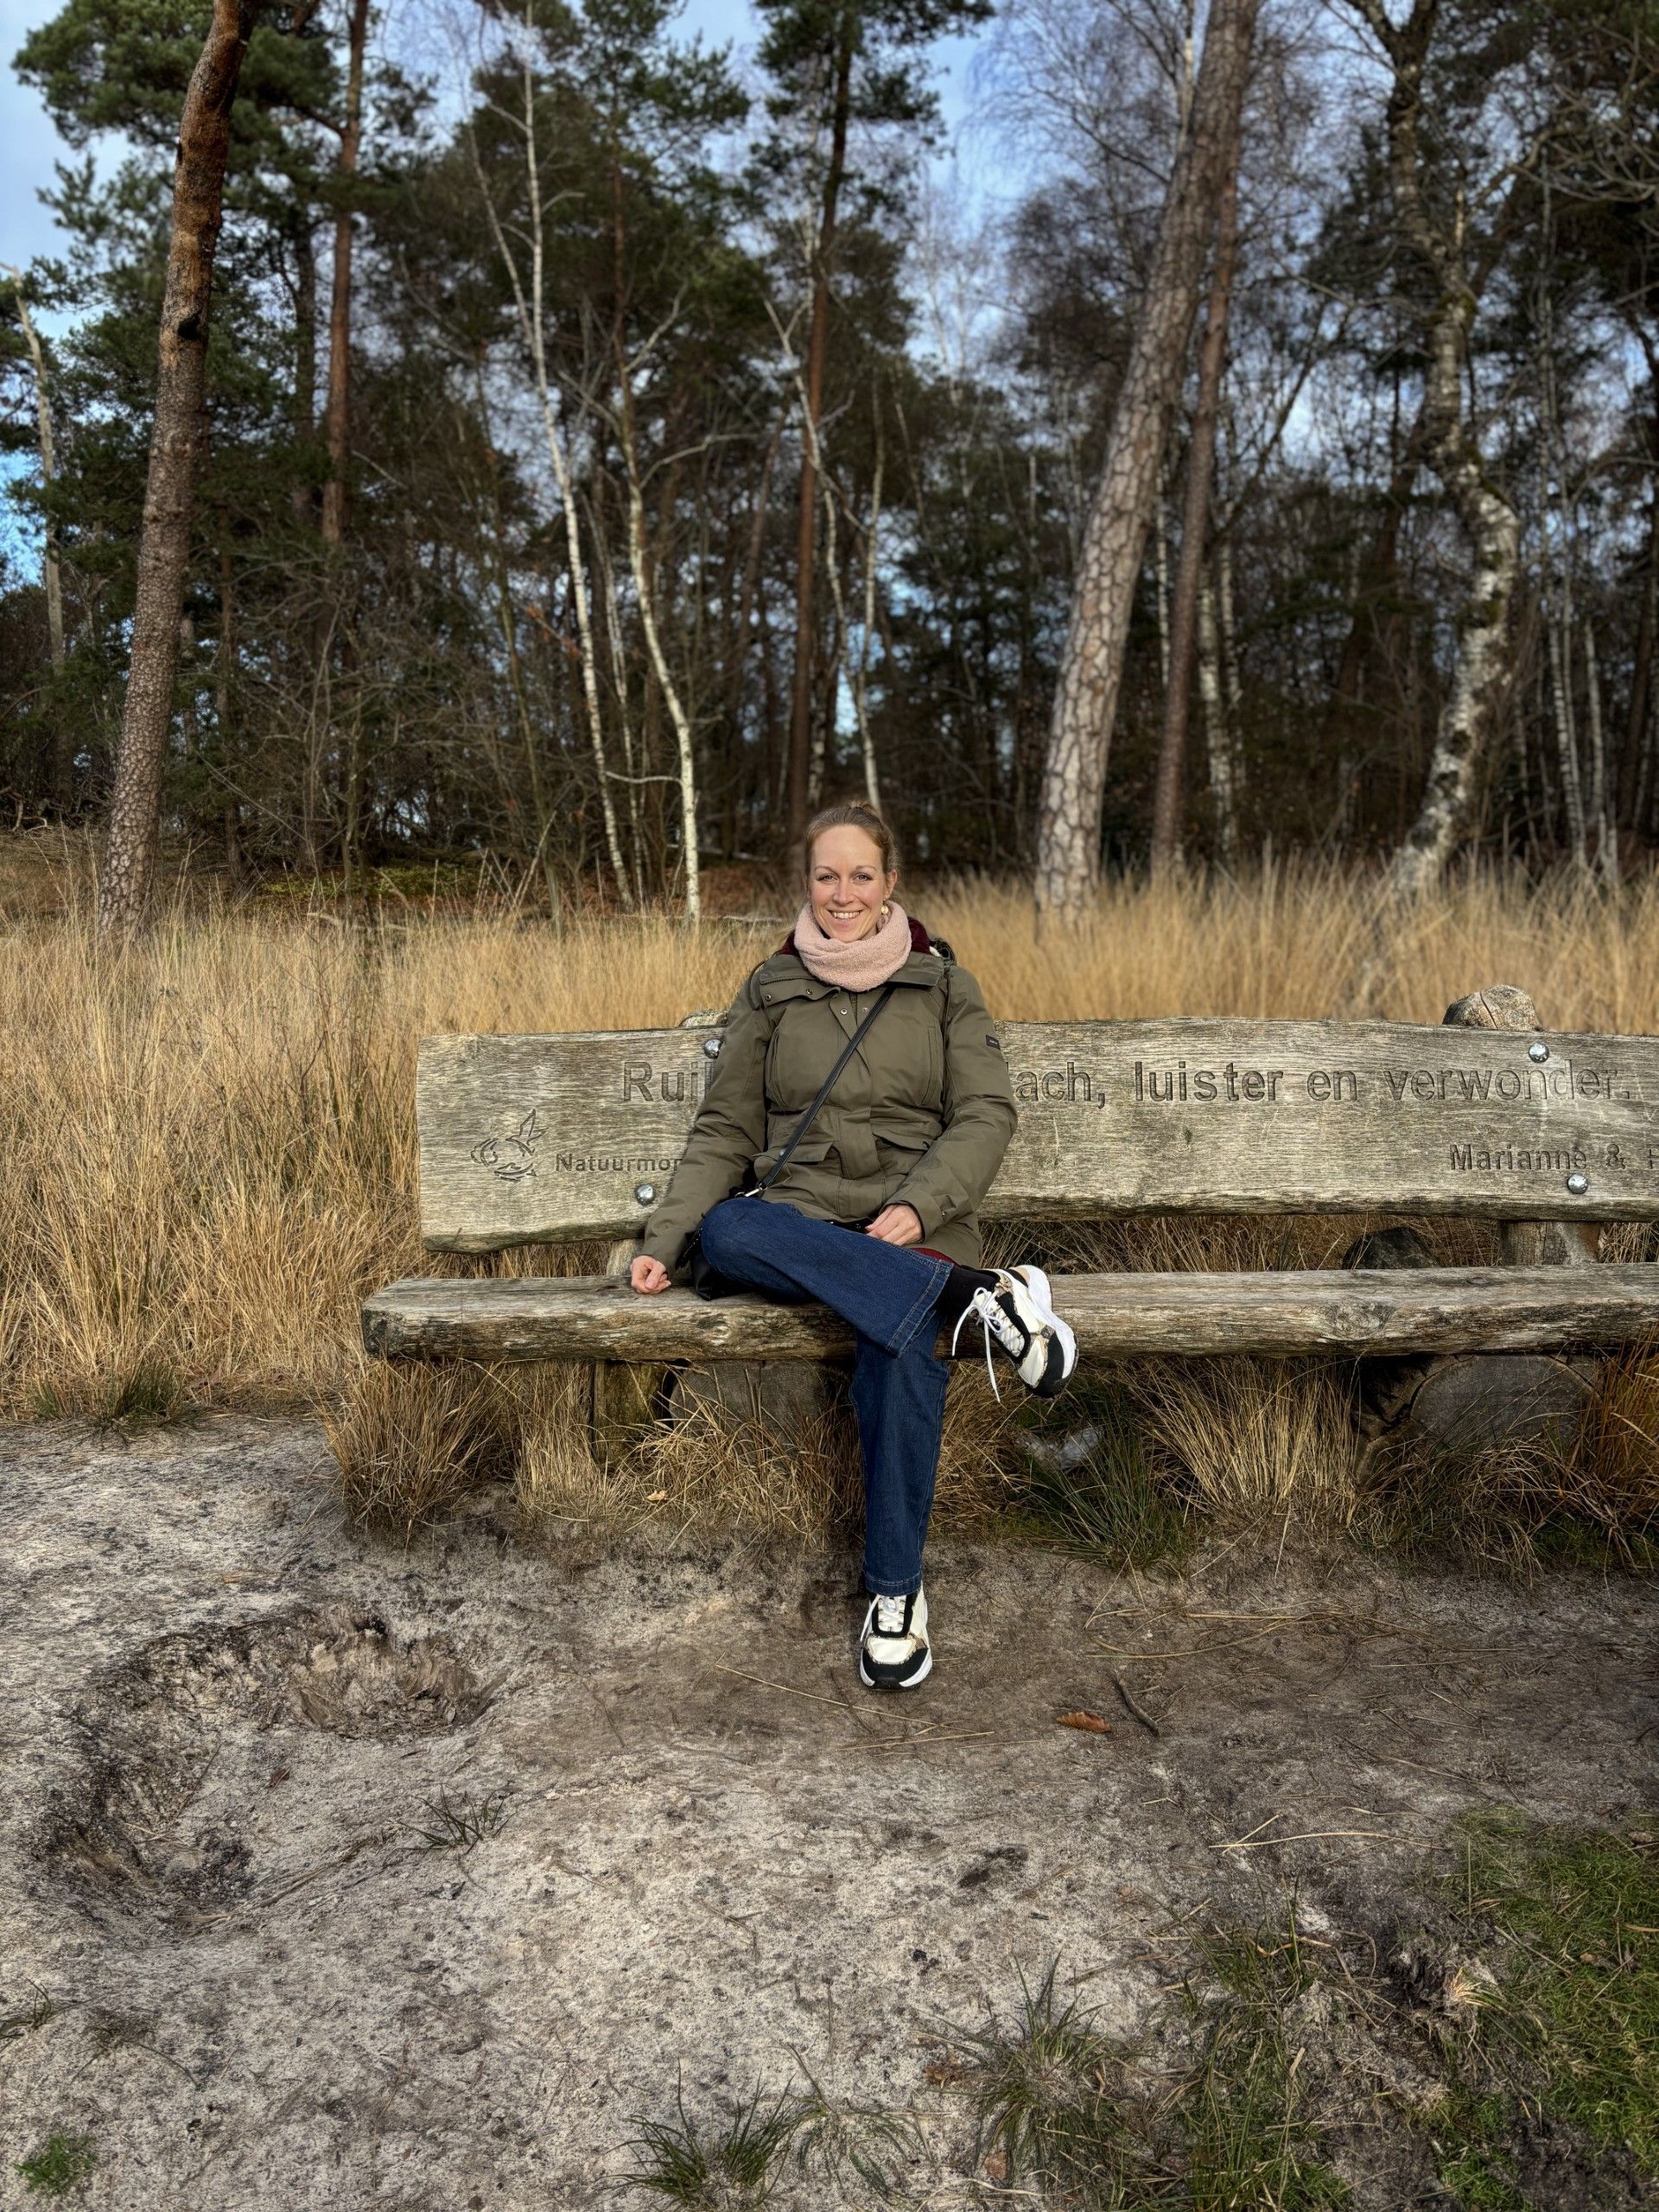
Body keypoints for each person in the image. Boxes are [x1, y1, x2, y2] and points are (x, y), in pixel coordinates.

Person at [628, 800, 1076, 1690]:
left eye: (860, 875)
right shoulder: (771, 987)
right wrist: (666, 1236)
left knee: (895, 1334)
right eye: (826, 875)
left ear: (891, 882)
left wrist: (918, 1206)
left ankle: (896, 1598)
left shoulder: (945, 986)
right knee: (729, 1227)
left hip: (917, 1222)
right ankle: (977, 1300)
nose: (842, 893)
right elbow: (726, 1127)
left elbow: (987, 1114)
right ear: (807, 882)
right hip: (800, 1224)